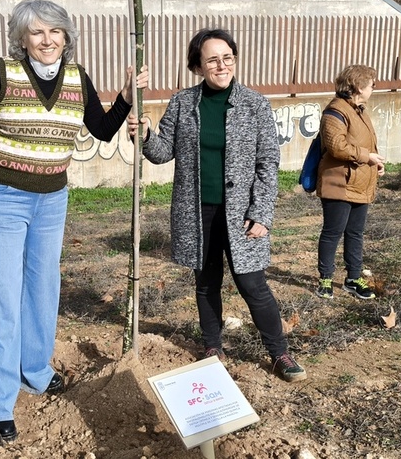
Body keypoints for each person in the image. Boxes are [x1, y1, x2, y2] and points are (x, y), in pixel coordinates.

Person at [0, 0, 149, 443]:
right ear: (22, 38)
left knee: (42, 287)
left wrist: (127, 100)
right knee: (0, 297)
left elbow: (100, 128)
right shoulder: (1, 72)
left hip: (51, 200)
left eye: (55, 32)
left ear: (66, 37)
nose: (47, 40)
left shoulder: (77, 78)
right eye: (37, 32)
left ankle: (34, 370)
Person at [128, 28, 306, 382]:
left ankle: (279, 352)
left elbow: (268, 163)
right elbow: (164, 153)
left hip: (242, 215)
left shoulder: (255, 104)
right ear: (198, 65)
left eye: (227, 57)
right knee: (206, 282)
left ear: (235, 60)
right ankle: (213, 346)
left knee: (253, 284)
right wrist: (145, 135)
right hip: (197, 213)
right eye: (212, 59)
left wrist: (262, 213)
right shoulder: (183, 103)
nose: (222, 65)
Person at [315, 64, 385, 300]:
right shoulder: (335, 111)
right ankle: (325, 279)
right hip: (339, 183)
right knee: (333, 232)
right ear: (357, 86)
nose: (374, 88)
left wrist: (375, 162)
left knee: (355, 233)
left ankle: (353, 279)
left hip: (360, 182)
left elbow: (366, 143)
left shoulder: (359, 110)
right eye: (372, 84)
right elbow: (336, 147)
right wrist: (367, 157)